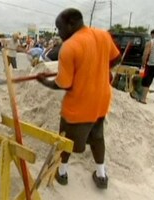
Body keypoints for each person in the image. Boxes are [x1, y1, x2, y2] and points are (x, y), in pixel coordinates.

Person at [36, 8, 120, 189]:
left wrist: (45, 82)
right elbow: (115, 59)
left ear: (71, 24)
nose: (58, 33)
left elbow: (63, 84)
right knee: (98, 137)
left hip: (78, 106)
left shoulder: (70, 46)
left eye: (59, 28)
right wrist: (101, 70)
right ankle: (101, 175)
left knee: (66, 141)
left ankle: (62, 172)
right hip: (101, 100)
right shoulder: (103, 35)